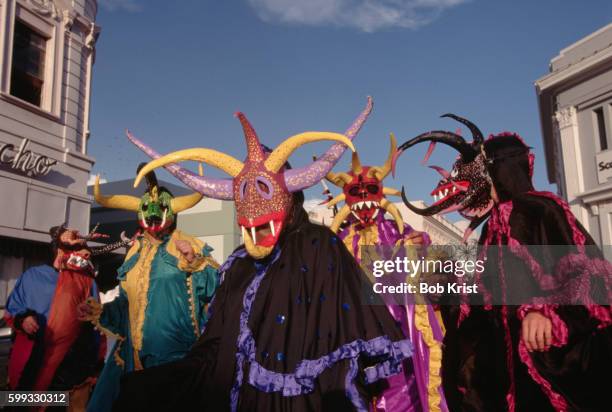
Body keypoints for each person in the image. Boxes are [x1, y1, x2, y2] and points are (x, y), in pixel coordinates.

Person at [113, 98, 419, 411]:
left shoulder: (321, 247)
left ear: (291, 196)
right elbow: (217, 344)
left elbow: (339, 343)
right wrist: (171, 379)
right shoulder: (240, 262)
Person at [394, 114, 612, 411]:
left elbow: (589, 278)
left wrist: (544, 312)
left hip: (548, 364)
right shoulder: (493, 226)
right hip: (509, 372)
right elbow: (480, 298)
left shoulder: (539, 207)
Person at [78, 165, 219, 412]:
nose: (153, 217)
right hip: (136, 364)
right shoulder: (135, 251)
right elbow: (126, 304)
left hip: (177, 361)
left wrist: (194, 262)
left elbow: (217, 289)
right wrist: (100, 311)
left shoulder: (186, 244)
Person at [323, 134, 447, 412]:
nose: (364, 197)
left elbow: (428, 269)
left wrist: (419, 248)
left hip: (399, 337)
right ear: (346, 197)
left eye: (370, 189)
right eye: (356, 191)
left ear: (380, 193)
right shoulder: (339, 241)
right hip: (354, 339)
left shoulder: (397, 233)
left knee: (402, 398)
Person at [5, 225, 127, 408]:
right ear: (60, 251)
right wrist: (23, 320)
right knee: (19, 404)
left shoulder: (86, 281)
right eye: (75, 249)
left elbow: (95, 325)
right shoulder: (32, 276)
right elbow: (13, 308)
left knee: (58, 404)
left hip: (67, 368)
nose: (84, 255)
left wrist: (94, 363)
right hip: (29, 361)